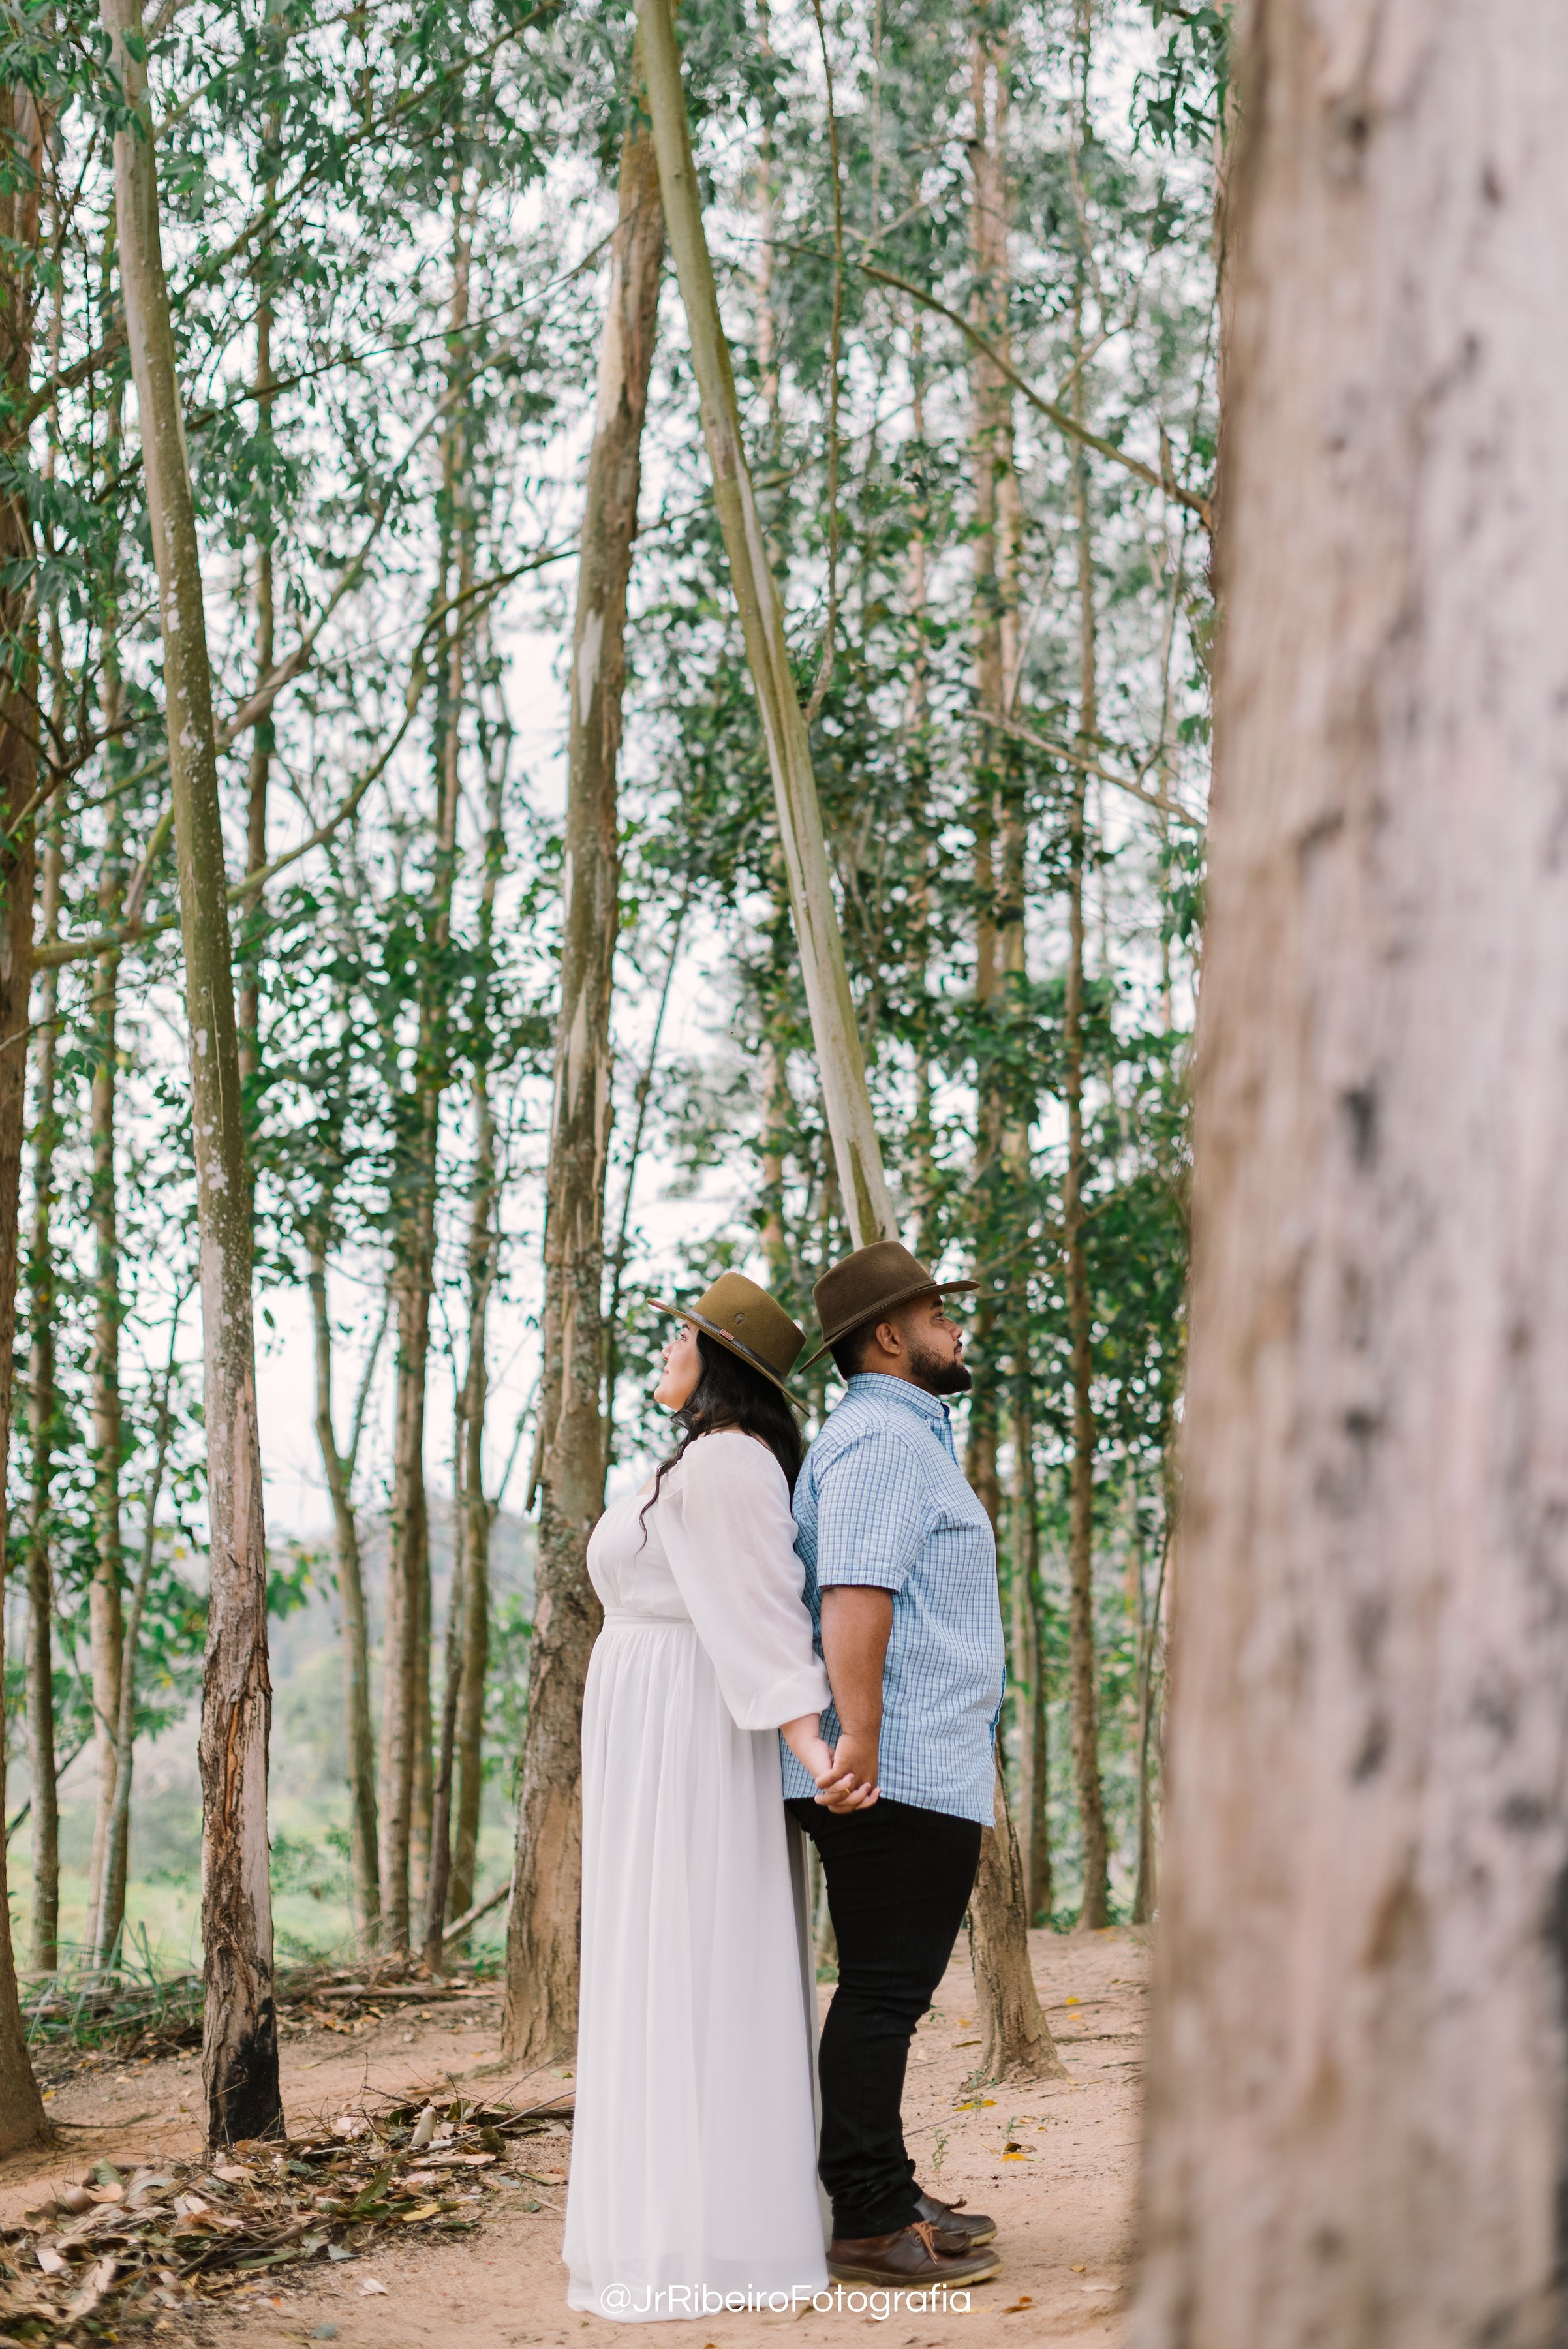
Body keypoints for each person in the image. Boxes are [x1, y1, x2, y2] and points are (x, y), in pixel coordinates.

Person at [564, 1272, 861, 2322]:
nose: (662, 1354)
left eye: (679, 1338)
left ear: (719, 1357)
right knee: (657, 1955)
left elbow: (765, 1606)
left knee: (692, 1957)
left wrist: (810, 1739)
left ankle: (718, 2233)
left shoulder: (733, 1462)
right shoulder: (699, 1456)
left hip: (692, 1732)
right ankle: (667, 2214)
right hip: (648, 1726)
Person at [782, 1240, 1008, 2290]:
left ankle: (886, 2185)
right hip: (895, 1763)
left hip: (914, 1756)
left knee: (889, 1990)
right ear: (889, 1334)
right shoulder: (880, 1439)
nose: (954, 1327)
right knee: (883, 1990)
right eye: (936, 1312)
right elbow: (854, 1595)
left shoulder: (903, 1436)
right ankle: (867, 2215)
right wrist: (859, 1739)